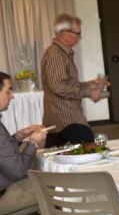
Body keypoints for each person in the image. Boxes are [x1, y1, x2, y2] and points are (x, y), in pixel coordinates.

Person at [40, 14, 110, 147]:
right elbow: (59, 87)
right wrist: (89, 93)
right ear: (62, 32)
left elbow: (66, 83)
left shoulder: (61, 53)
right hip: (66, 120)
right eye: (76, 33)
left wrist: (91, 84)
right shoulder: (56, 55)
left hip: (63, 119)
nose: (79, 38)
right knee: (86, 150)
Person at [0, 72, 47, 215]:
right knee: (55, 186)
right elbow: (18, 170)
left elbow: (2, 149)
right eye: (8, 91)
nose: (12, 96)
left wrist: (20, 135)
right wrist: (33, 143)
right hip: (3, 195)